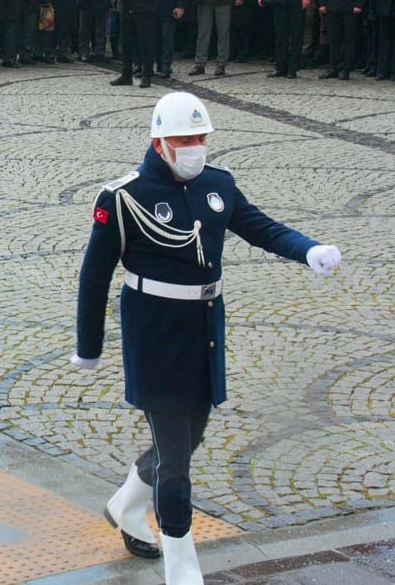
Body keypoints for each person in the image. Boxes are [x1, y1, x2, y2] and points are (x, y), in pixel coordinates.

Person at [71, 91, 342, 585]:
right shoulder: (123, 197)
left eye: (201, 137)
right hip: (153, 333)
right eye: (183, 139)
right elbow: (94, 275)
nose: (195, 146)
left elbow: (261, 228)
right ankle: (183, 570)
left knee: (188, 438)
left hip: (203, 331)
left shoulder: (218, 184)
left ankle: (126, 506)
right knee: (175, 460)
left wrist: (308, 250)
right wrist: (89, 347)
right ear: (158, 143)